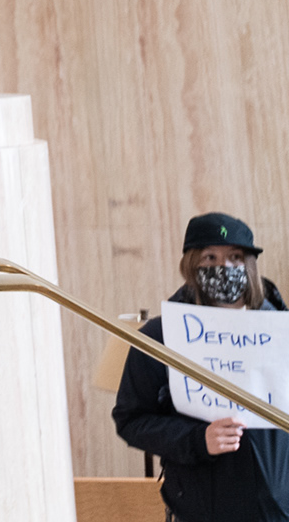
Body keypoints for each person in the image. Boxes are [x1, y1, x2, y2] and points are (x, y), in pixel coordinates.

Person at [114, 212, 289, 522]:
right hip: (200, 512)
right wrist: (197, 440)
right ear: (191, 265)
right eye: (211, 257)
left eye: (235, 257)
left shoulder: (281, 333)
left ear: (249, 265)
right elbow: (131, 420)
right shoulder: (159, 337)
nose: (225, 268)